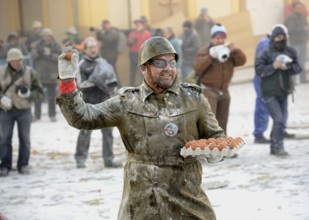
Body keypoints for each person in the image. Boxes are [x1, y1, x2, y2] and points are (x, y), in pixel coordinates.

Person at [56, 36, 226, 219]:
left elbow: (216, 135)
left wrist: (216, 148)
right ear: (144, 68)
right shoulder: (127, 103)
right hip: (143, 201)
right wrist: (67, 82)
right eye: (160, 63)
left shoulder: (194, 99)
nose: (168, 68)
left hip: (186, 195)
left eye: (171, 62)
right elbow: (82, 118)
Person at [74, 37, 121, 169]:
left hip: (105, 102)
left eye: (95, 47)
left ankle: (109, 159)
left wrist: (113, 90)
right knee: (85, 131)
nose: (93, 50)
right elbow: (80, 85)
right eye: (90, 47)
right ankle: (80, 158)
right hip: (89, 103)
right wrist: (95, 81)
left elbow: (112, 79)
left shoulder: (104, 62)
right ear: (85, 49)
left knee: (108, 133)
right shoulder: (81, 65)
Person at [255, 25, 302, 156]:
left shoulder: (290, 51)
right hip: (269, 92)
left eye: (282, 37)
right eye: (277, 37)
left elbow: (299, 67)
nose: (280, 39)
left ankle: (274, 145)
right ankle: (278, 146)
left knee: (279, 120)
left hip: (284, 91)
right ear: (273, 38)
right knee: (279, 118)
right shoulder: (265, 52)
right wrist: (273, 66)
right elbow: (259, 70)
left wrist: (289, 67)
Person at [193, 23, 246, 133]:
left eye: (222, 38)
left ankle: (222, 146)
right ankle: (208, 146)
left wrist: (234, 50)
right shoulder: (205, 51)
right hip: (209, 90)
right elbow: (198, 68)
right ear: (212, 38)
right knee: (209, 122)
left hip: (224, 91)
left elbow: (242, 61)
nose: (220, 40)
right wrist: (211, 56)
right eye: (217, 38)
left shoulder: (227, 51)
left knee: (222, 122)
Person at [0, 48, 43, 176]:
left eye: (20, 60)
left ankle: (23, 165)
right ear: (9, 61)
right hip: (5, 110)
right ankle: (5, 166)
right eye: (15, 60)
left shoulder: (30, 72)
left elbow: (39, 91)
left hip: (24, 110)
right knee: (4, 139)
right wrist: (1, 98)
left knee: (25, 139)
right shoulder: (1, 72)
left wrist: (30, 95)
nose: (18, 63)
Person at [30, 28, 62, 122]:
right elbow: (32, 55)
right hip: (40, 74)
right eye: (44, 36)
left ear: (51, 36)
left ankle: (52, 115)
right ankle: (37, 115)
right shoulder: (38, 45)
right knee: (38, 96)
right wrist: (38, 52)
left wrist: (50, 55)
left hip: (51, 74)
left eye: (48, 36)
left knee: (51, 97)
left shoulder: (55, 45)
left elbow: (60, 57)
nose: (46, 38)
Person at [285, 1, 309, 84]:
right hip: (295, 43)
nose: (300, 9)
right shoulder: (291, 18)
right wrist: (303, 29)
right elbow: (290, 30)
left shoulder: (303, 17)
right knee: (295, 61)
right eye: (298, 8)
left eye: (301, 8)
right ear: (294, 9)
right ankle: (293, 80)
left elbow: (307, 26)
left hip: (303, 42)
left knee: (302, 61)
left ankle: (303, 79)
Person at [95, 20, 122, 85]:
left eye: (106, 25)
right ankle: (113, 85)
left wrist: (101, 33)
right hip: (106, 55)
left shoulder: (113, 32)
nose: (105, 26)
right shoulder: (105, 32)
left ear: (109, 25)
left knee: (112, 71)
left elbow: (108, 40)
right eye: (104, 25)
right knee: (108, 70)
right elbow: (99, 39)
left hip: (111, 55)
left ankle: (119, 86)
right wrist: (98, 32)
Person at [127, 18, 152, 86]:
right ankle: (131, 86)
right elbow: (128, 44)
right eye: (136, 24)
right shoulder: (132, 33)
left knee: (143, 72)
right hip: (133, 54)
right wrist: (130, 42)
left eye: (139, 23)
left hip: (143, 54)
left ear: (142, 24)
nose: (137, 25)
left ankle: (143, 85)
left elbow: (150, 45)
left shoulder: (147, 34)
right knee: (132, 71)